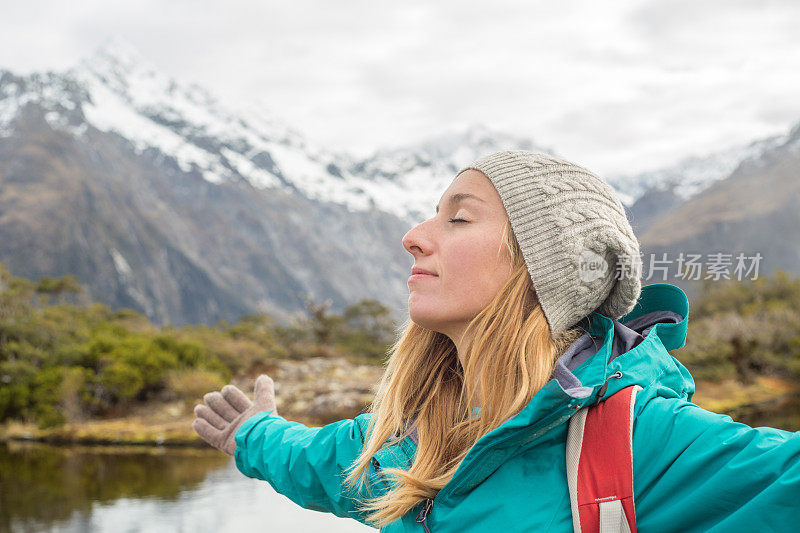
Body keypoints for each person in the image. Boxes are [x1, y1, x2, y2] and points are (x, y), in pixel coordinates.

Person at [192, 150, 800, 532]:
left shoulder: (643, 441)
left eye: (458, 217)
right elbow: (319, 465)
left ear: (546, 269)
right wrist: (251, 433)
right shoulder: (411, 432)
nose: (413, 236)